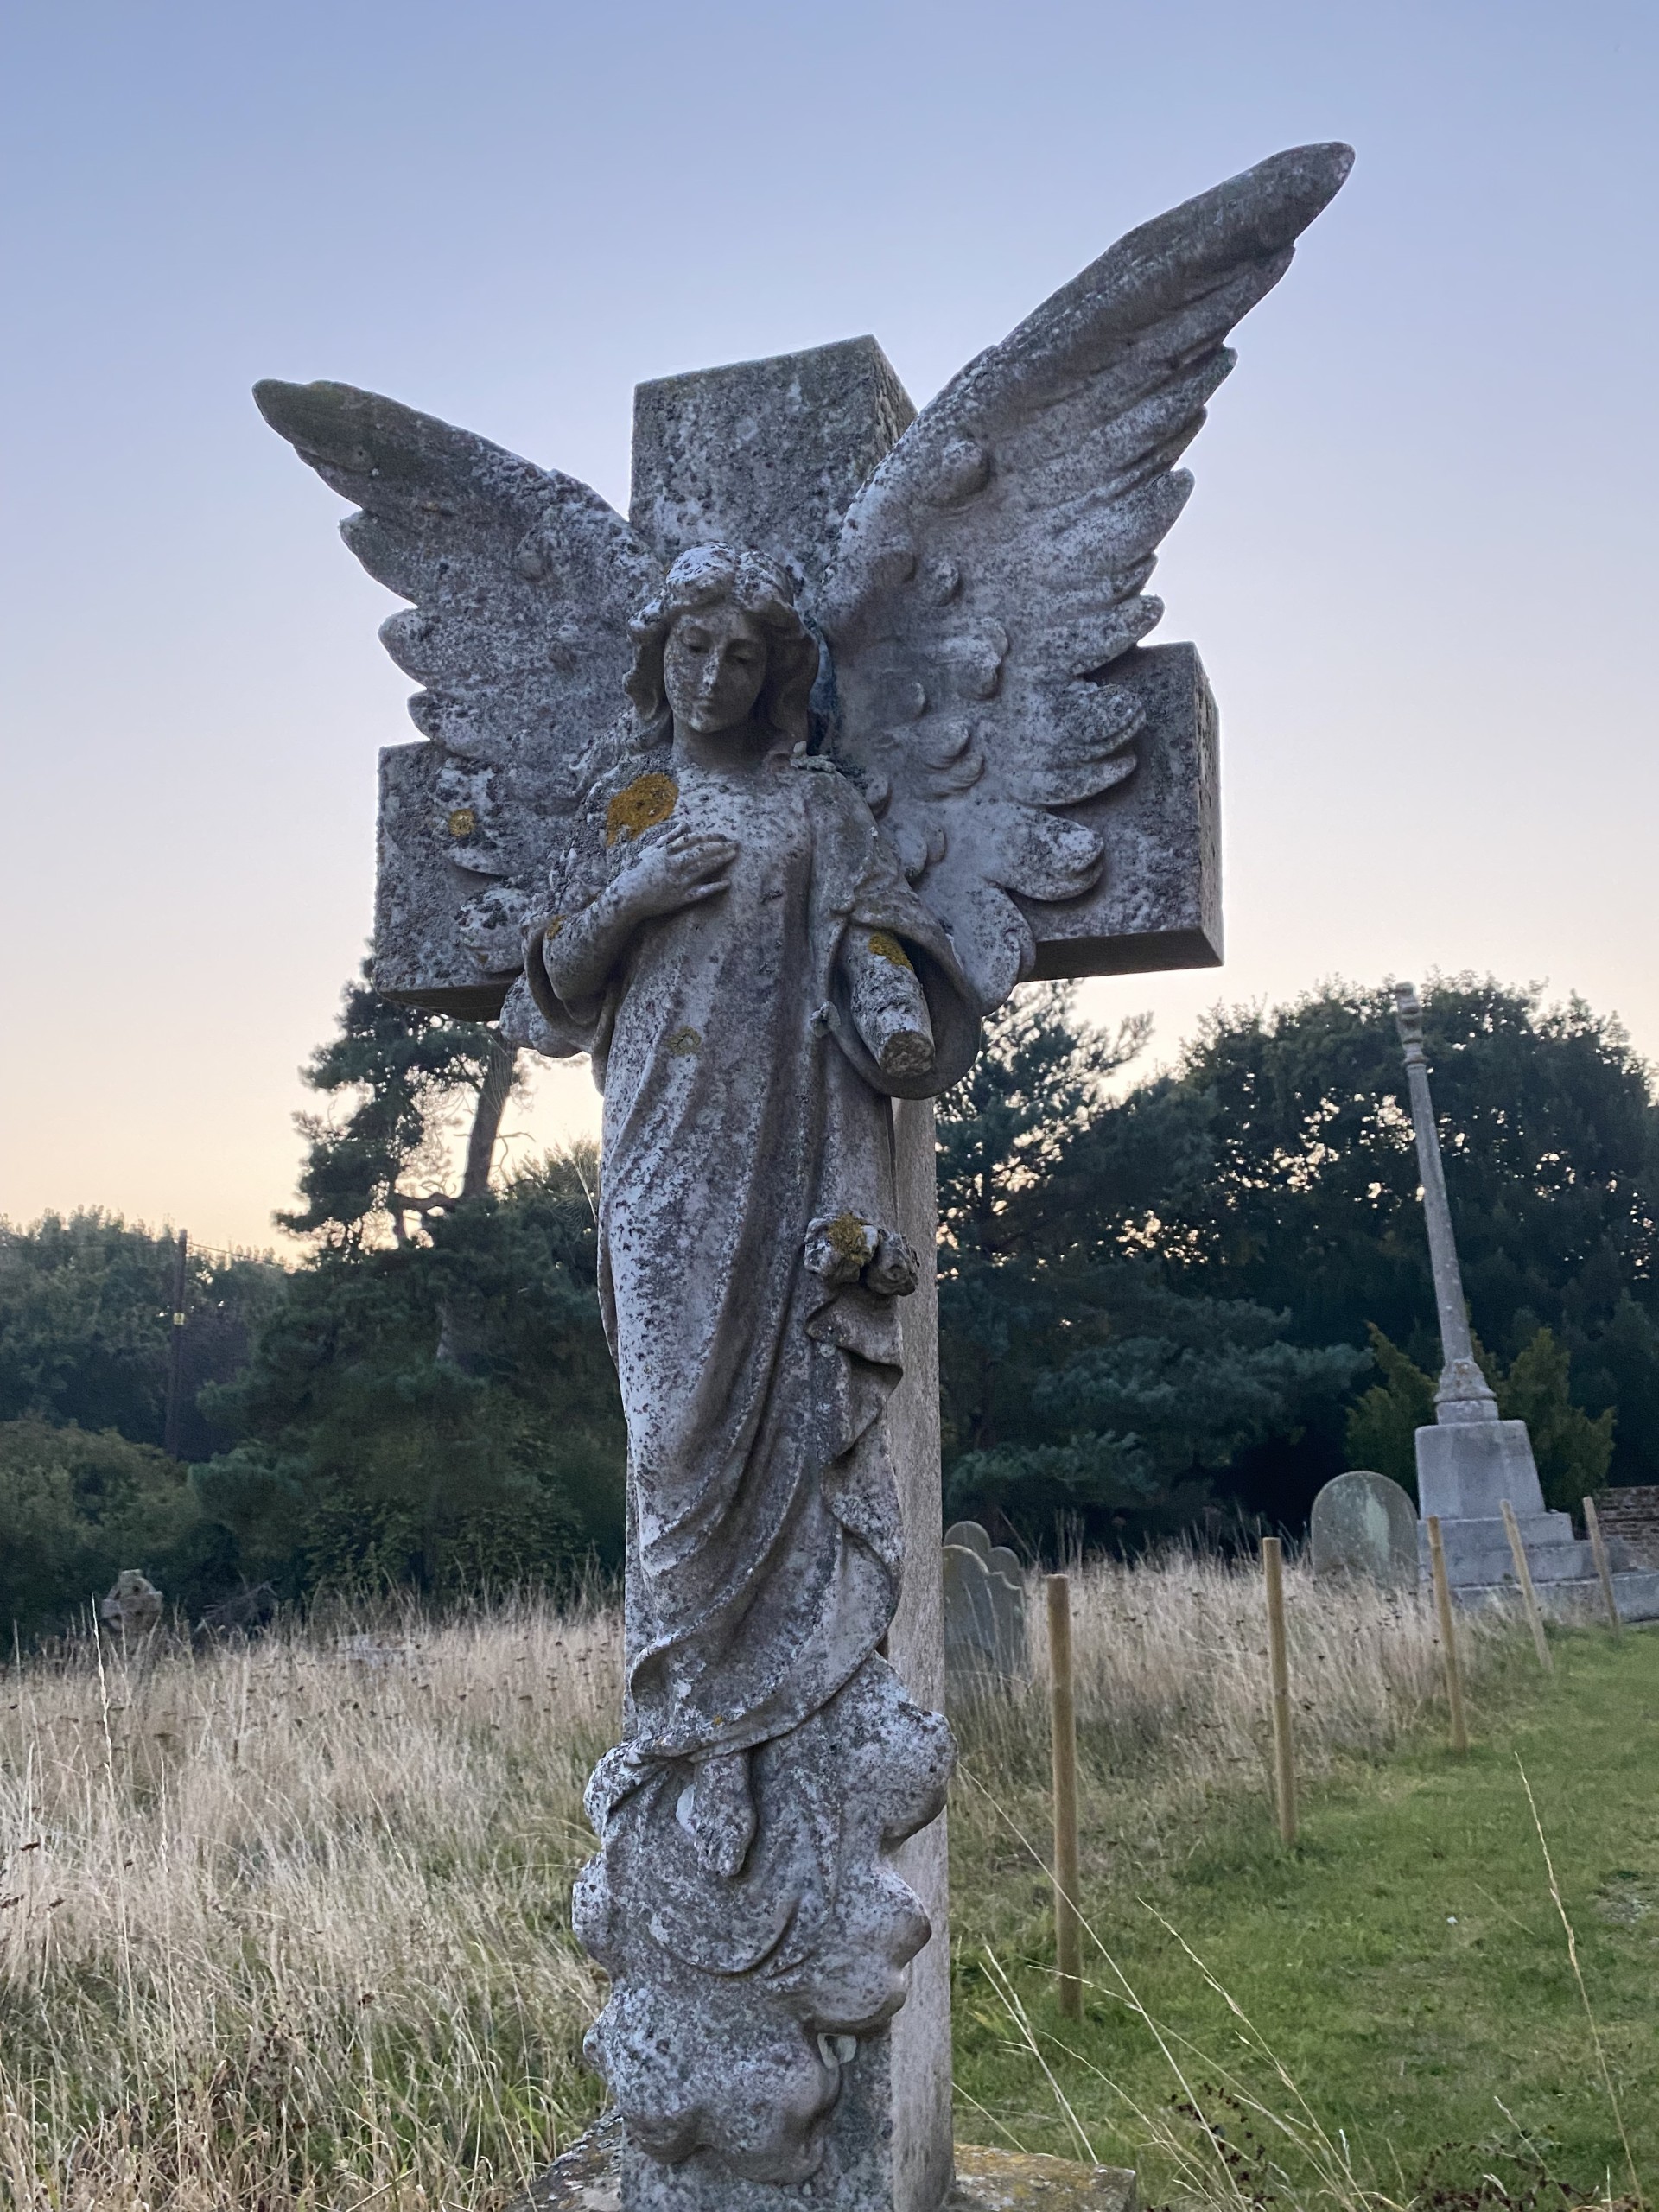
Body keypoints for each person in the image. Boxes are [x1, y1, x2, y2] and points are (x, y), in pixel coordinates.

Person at [526, 544, 977, 1879]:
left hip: (788, 1155)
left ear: (775, 672)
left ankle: (766, 1740)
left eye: (740, 656)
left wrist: (890, 1004)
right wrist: (636, 890)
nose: (712, 677)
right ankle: (685, 1735)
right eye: (690, 650)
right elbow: (546, 998)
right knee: (669, 1450)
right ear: (657, 657)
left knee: (787, 1433)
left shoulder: (820, 812)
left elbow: (877, 941)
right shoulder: (634, 802)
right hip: (661, 1167)